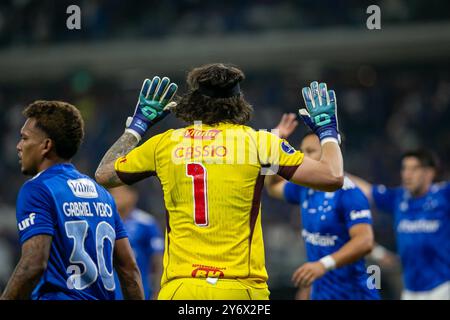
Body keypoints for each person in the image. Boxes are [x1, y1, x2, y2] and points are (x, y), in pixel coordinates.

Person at [95, 64, 344, 300]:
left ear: (193, 102)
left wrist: (137, 126)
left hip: (181, 288)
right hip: (241, 289)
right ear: (238, 103)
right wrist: (328, 131)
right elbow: (333, 177)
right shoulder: (259, 143)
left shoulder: (165, 143)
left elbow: (104, 175)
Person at [0, 101, 144, 300]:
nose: (18, 146)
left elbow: (33, 265)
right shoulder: (102, 194)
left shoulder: (38, 189)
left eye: (24, 138)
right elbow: (129, 270)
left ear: (46, 146)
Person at [265, 114, 379, 300]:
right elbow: (272, 187)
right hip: (321, 293)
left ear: (330, 155)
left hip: (353, 294)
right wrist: (275, 146)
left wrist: (322, 265)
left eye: (310, 151)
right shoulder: (305, 188)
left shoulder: (349, 193)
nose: (303, 157)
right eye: (302, 151)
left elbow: (365, 242)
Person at [348, 149, 450, 300]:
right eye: (405, 168)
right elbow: (366, 190)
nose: (407, 174)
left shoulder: (444, 196)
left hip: (442, 287)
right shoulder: (398, 197)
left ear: (429, 173)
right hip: (410, 290)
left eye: (414, 169)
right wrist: (335, 171)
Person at [109, 185, 164, 300]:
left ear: (133, 196)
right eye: (113, 192)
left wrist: (158, 291)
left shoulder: (146, 223)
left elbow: (158, 259)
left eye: (121, 192)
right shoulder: (105, 223)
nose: (116, 196)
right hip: (110, 293)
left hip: (141, 293)